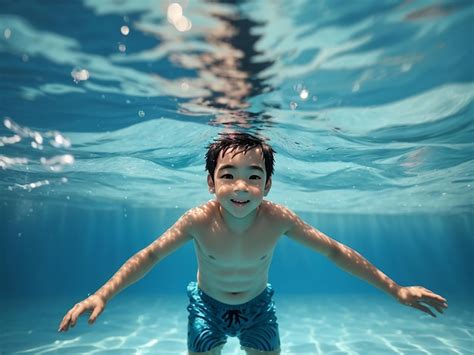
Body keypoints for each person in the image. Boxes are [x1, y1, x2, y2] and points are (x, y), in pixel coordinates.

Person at [58, 132, 448, 355]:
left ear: (268, 184)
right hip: (207, 307)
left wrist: (395, 289)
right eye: (228, 175)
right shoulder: (197, 220)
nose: (240, 187)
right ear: (211, 183)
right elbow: (150, 256)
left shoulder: (278, 219)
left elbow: (335, 252)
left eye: (253, 176)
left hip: (258, 307)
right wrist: (103, 294)